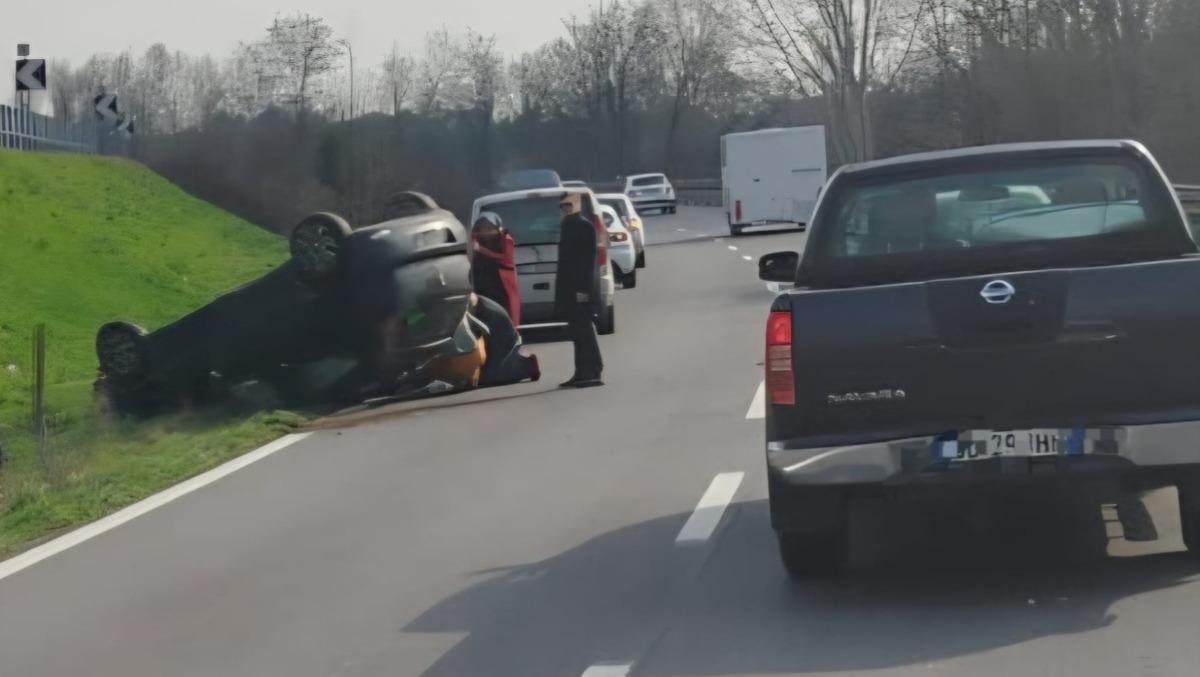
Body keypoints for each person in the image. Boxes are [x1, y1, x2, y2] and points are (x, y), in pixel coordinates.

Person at [555, 194, 604, 388]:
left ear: (576, 205)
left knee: (584, 329)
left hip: (581, 288)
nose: (565, 209)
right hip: (569, 287)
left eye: (569, 205)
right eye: (563, 206)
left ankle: (593, 370)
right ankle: (581, 371)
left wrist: (584, 290)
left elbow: (586, 262)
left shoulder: (584, 226)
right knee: (577, 330)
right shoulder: (567, 225)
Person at [472, 294, 540, 386]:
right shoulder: (473, 300)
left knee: (484, 378)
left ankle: (527, 367)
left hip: (504, 338)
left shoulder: (472, 306)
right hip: (502, 335)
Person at [470, 212, 521, 325]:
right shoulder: (475, 240)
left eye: (489, 228)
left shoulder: (506, 240)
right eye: (483, 228)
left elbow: (506, 258)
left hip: (500, 281)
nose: (486, 232)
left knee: (504, 308)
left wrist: (482, 250)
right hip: (481, 280)